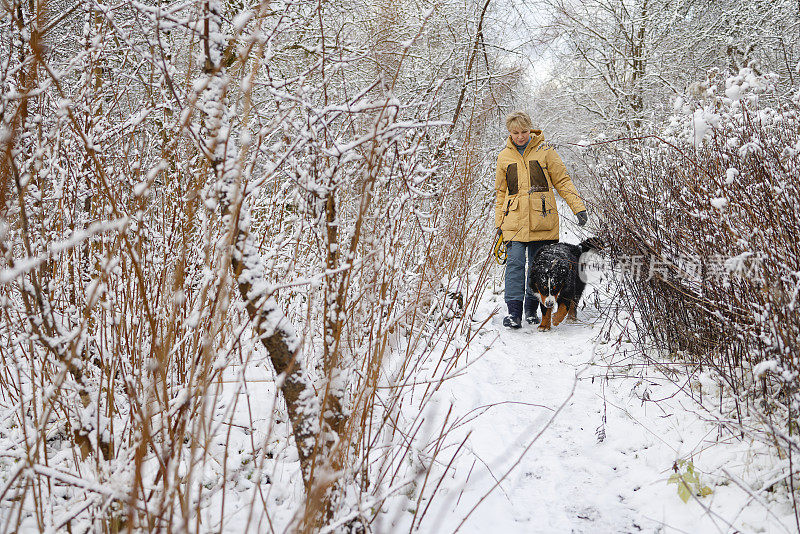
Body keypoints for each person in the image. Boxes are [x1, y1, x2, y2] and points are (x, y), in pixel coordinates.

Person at [494, 111, 588, 328]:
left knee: (540, 269)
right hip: (514, 222)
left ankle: (531, 311)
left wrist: (578, 207)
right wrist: (499, 222)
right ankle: (514, 313)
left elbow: (562, 181)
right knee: (515, 265)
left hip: (542, 221)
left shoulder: (546, 152)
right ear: (509, 132)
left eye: (524, 132)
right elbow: (501, 192)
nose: (520, 136)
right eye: (515, 133)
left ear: (531, 130)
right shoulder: (504, 157)